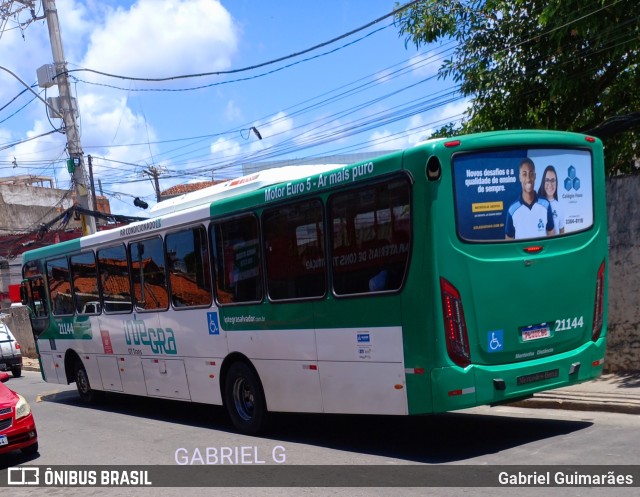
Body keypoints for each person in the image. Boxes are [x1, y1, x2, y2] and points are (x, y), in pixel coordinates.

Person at [505, 158, 554, 239]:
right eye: (524, 174)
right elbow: (508, 239)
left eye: (531, 174)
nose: (528, 179)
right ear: (520, 177)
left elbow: (551, 233)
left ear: (535, 176)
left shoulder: (545, 204)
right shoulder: (512, 210)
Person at [537, 165, 565, 235]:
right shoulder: (536, 203)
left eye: (553, 180)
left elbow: (562, 231)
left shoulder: (559, 206)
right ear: (543, 182)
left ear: (556, 183)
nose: (550, 184)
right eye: (547, 180)